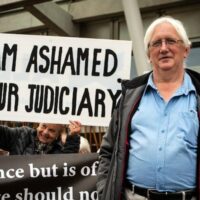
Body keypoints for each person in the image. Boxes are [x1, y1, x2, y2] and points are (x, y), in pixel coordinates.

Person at [97, 16, 200, 200]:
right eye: (156, 43)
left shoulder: (198, 94)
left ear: (186, 49)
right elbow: (107, 151)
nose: (163, 48)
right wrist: (105, 191)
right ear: (148, 54)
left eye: (170, 41)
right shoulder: (130, 96)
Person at [0, 120, 82, 155]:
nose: (45, 132)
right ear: (38, 125)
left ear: (58, 135)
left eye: (51, 130)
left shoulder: (60, 151)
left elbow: (68, 166)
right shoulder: (21, 134)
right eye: (43, 126)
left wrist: (73, 136)